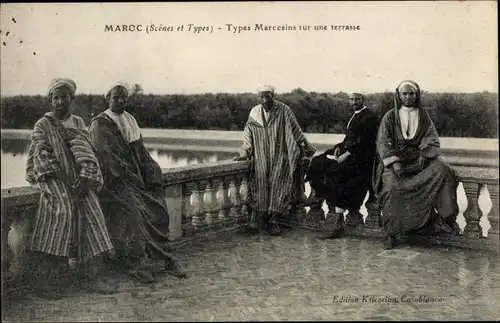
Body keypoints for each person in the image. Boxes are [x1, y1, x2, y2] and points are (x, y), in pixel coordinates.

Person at [25, 78, 117, 298]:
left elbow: (86, 152)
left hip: (78, 179)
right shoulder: (43, 125)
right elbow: (41, 156)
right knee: (62, 208)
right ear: (50, 100)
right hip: (52, 177)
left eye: (64, 97)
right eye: (55, 98)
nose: (59, 102)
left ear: (71, 99)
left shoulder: (77, 122)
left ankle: (91, 272)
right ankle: (49, 276)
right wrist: (66, 179)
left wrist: (85, 179)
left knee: (91, 206)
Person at [88, 82, 186, 283]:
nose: (121, 100)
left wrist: (152, 170)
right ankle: (138, 264)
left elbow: (141, 153)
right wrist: (132, 177)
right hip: (114, 182)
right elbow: (109, 159)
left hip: (134, 179)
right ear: (108, 98)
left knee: (158, 208)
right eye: (116, 97)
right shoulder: (100, 124)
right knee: (135, 212)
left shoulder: (130, 120)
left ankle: (165, 258)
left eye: (124, 97)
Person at [373, 80, 460, 249]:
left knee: (443, 170)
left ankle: (445, 219)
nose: (408, 97)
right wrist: (394, 162)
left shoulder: (423, 115)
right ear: (399, 95)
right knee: (391, 188)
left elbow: (431, 138)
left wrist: (424, 153)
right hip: (395, 163)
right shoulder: (390, 116)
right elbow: (383, 141)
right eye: (404, 94)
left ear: (416, 95)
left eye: (411, 93)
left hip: (419, 161)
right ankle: (391, 233)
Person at [234, 85, 316, 235]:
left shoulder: (284, 110)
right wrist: (244, 152)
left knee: (280, 185)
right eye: (261, 97)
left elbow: (296, 132)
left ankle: (274, 221)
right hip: (261, 157)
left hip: (281, 156)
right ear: (258, 97)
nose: (265, 100)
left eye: (268, 96)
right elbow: (248, 136)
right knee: (259, 185)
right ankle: (257, 219)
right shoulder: (254, 112)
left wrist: (305, 152)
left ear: (273, 95)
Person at [306, 93, 379, 239]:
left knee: (338, 175)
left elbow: (366, 140)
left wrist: (347, 153)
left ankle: (338, 221)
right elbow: (349, 138)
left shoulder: (369, 116)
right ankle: (317, 194)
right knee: (319, 160)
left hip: (362, 158)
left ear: (362, 100)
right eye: (351, 99)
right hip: (351, 152)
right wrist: (339, 147)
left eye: (357, 99)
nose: (353, 102)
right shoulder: (355, 115)